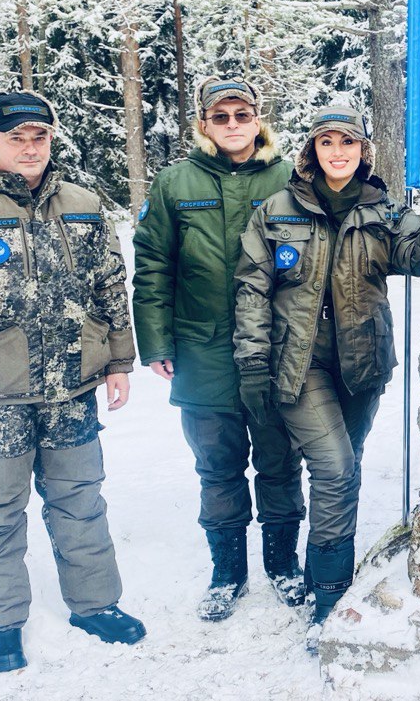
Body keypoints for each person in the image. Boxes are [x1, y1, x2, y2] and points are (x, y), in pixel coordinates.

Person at [0, 90, 146, 676]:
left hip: (71, 386)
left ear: (51, 139)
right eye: (15, 138)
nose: (28, 148)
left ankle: (95, 605)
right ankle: (0, 624)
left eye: (38, 137)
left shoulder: (81, 203)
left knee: (80, 499)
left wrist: (119, 362)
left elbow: (109, 287)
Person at [232, 104, 420, 647]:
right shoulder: (277, 209)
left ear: (363, 151)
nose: (337, 152)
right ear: (311, 151)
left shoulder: (383, 210)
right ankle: (330, 596)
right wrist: (253, 360)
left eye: (348, 143)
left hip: (362, 361)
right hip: (299, 362)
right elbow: (252, 288)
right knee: (336, 468)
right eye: (327, 143)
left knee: (348, 464)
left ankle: (323, 565)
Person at [132, 76, 305, 622]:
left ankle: (282, 565)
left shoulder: (291, 178)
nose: (233, 124)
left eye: (242, 114)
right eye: (221, 116)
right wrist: (155, 340)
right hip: (202, 350)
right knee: (218, 467)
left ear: (259, 119)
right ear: (203, 123)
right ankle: (226, 572)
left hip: (277, 349)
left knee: (280, 463)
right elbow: (153, 266)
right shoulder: (175, 182)